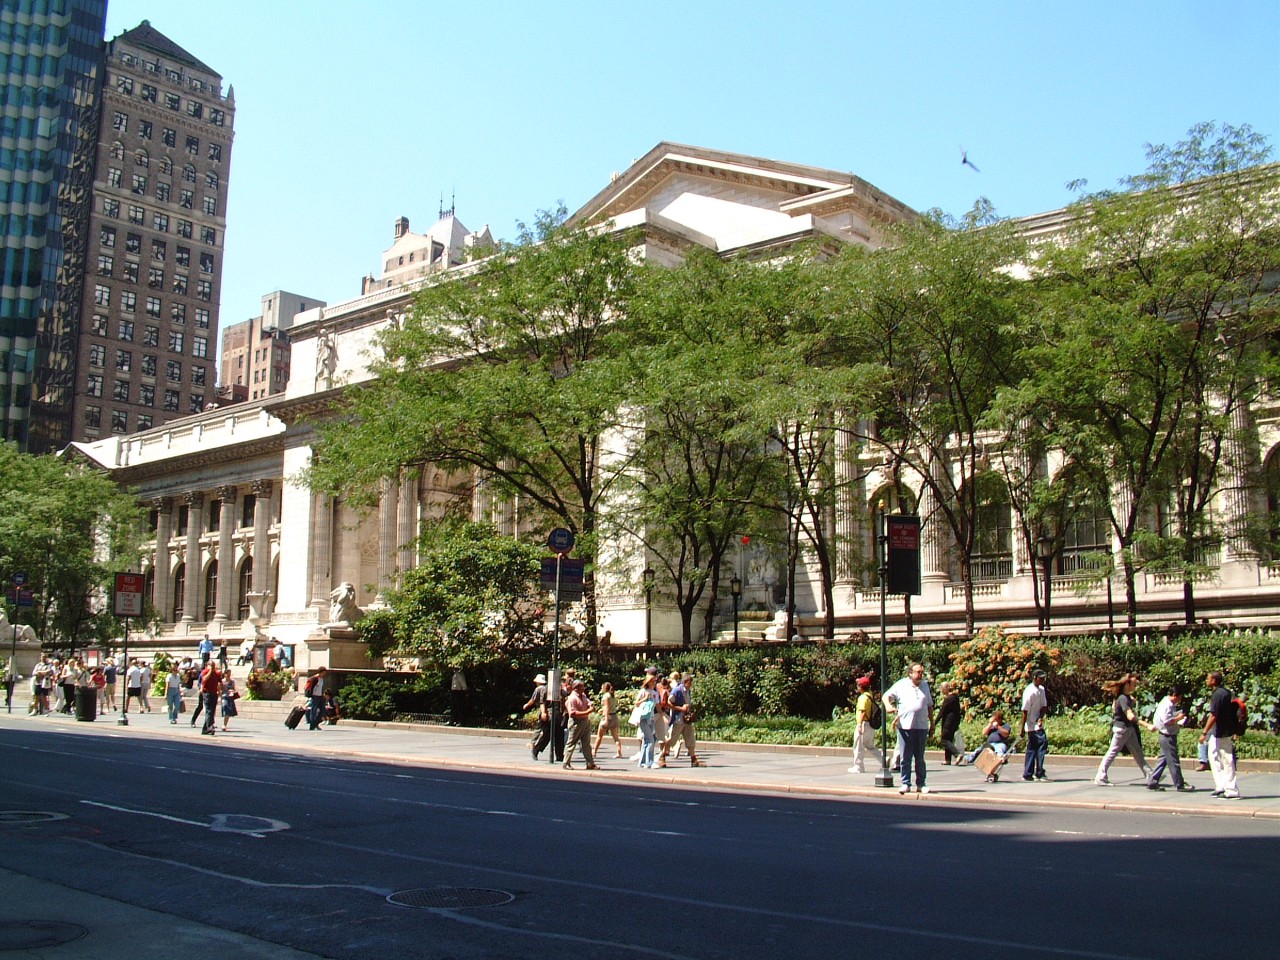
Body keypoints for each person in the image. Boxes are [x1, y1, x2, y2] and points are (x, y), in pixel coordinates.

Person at [1094, 673, 1153, 786]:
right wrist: (1146, 725)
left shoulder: (1123, 697)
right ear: (1127, 684)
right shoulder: (1122, 698)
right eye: (1134, 684)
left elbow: (1114, 708)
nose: (1135, 686)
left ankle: (1150, 775)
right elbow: (1130, 716)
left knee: (1138, 753)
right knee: (1112, 752)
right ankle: (1100, 777)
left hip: (1127, 729)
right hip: (1122, 729)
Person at [884, 663, 932, 794]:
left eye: (921, 672)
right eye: (917, 672)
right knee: (905, 757)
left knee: (920, 757)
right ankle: (905, 783)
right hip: (905, 726)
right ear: (910, 673)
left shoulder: (925, 686)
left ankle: (921, 784)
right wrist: (888, 706)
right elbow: (886, 696)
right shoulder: (901, 685)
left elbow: (929, 705)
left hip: (921, 725)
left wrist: (932, 723)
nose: (920, 675)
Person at [1199, 671, 1241, 799]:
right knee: (1214, 757)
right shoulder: (1226, 692)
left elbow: (1214, 715)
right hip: (1221, 731)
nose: (1206, 680)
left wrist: (1204, 732)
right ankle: (1221, 786)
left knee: (1226, 759)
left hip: (1222, 732)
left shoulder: (1218, 695)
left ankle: (1232, 790)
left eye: (1208, 678)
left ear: (1214, 681)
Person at [1147, 684, 1194, 792]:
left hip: (1165, 734)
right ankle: (1179, 784)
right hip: (1167, 734)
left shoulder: (1167, 703)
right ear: (1174, 695)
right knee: (1173, 761)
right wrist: (1179, 717)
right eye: (1179, 697)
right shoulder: (1167, 705)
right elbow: (1167, 721)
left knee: (1163, 760)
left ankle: (1152, 781)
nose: (1179, 700)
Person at [659, 672, 705, 768]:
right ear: (685, 682)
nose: (691, 685)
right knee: (672, 739)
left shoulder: (688, 691)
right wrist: (680, 708)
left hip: (686, 719)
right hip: (678, 719)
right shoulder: (677, 690)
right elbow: (668, 703)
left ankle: (693, 759)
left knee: (690, 738)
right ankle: (662, 756)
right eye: (690, 682)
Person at [963, 709, 1013, 779]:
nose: (994, 721)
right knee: (979, 749)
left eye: (996, 719)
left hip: (1000, 743)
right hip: (990, 744)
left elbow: (1006, 734)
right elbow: (984, 733)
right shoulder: (991, 726)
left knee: (999, 750)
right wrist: (990, 724)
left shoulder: (1005, 725)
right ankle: (968, 758)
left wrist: (998, 726)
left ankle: (1001, 759)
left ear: (999, 719)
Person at [1020, 669, 1050, 782]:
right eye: (1040, 678)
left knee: (1035, 746)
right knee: (1040, 743)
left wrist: (1040, 718)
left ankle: (1030, 773)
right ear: (1034, 678)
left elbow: (1044, 706)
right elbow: (1025, 711)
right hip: (1030, 723)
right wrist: (1022, 728)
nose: (1043, 680)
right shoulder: (1029, 691)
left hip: (1037, 723)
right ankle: (1036, 772)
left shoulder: (1041, 690)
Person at [562, 679, 598, 770]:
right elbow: (573, 713)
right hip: (576, 722)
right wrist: (587, 712)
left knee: (586, 744)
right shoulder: (572, 698)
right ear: (576, 688)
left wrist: (590, 706)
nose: (583, 689)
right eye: (581, 688)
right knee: (571, 743)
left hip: (585, 721)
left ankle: (590, 763)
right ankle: (566, 763)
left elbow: (589, 703)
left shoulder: (583, 696)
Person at [848, 676, 875, 774]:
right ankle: (884, 759)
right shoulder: (869, 695)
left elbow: (862, 711)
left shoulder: (863, 697)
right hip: (870, 724)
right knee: (870, 746)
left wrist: (859, 724)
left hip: (863, 723)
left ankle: (858, 767)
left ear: (860, 686)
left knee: (858, 746)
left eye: (858, 684)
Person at [932, 681, 963, 765]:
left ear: (945, 689)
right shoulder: (955, 697)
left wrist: (934, 723)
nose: (941, 691)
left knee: (944, 740)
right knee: (949, 739)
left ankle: (957, 754)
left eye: (942, 689)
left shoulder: (948, 699)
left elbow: (942, 712)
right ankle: (947, 759)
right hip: (954, 721)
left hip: (948, 722)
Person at [633, 674, 659, 769]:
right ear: (648, 682)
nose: (654, 683)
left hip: (651, 718)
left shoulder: (655, 693)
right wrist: (644, 698)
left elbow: (657, 705)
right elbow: (636, 703)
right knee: (650, 740)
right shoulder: (643, 691)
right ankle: (649, 762)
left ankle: (642, 762)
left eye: (655, 681)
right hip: (643, 718)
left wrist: (662, 715)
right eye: (653, 681)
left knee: (647, 740)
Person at [523, 673, 551, 761]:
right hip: (549, 710)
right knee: (544, 729)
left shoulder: (538, 689)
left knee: (539, 727)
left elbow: (533, 699)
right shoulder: (547, 688)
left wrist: (526, 705)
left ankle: (533, 742)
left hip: (543, 710)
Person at [593, 682, 623, 759]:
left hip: (608, 716)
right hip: (614, 716)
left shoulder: (605, 696)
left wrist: (606, 718)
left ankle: (594, 751)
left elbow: (606, 707)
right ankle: (619, 752)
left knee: (599, 736)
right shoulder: (612, 695)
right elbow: (610, 706)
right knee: (615, 736)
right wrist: (601, 710)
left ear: (604, 688)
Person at [198, 661, 220, 735]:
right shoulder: (205, 672)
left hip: (214, 693)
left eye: (214, 665)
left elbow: (219, 683)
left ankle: (205, 729)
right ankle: (210, 726)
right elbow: (204, 680)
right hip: (207, 693)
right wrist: (210, 671)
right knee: (209, 711)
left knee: (211, 711)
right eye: (211, 665)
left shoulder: (216, 673)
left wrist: (219, 692)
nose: (213, 667)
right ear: (207, 665)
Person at [304, 666, 328, 731]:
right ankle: (312, 725)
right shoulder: (314, 678)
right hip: (314, 696)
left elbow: (321, 688)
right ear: (320, 672)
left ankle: (316, 723)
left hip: (320, 696)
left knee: (323, 711)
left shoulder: (322, 679)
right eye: (323, 673)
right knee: (313, 711)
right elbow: (310, 687)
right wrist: (310, 696)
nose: (324, 674)